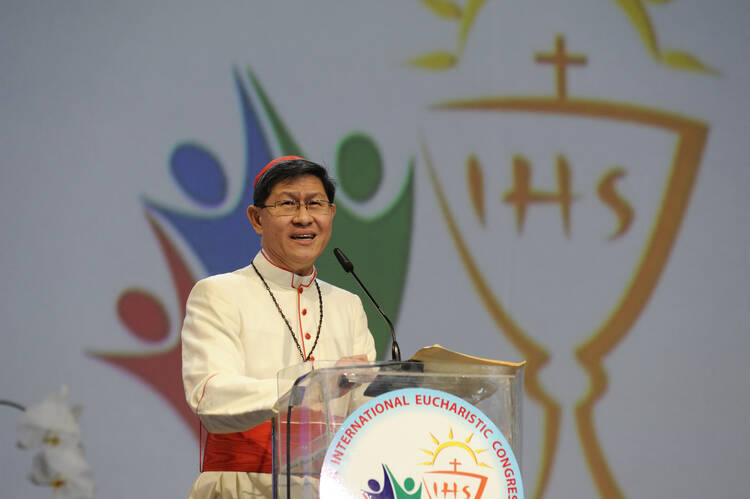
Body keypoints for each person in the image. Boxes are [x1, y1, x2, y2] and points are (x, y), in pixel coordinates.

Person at [181, 156, 377, 498]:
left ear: (330, 215)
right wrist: (308, 389)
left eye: (315, 204)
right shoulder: (219, 293)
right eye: (288, 203)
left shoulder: (348, 305)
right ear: (257, 219)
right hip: (242, 486)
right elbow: (209, 396)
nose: (303, 217)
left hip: (328, 489)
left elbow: (365, 413)